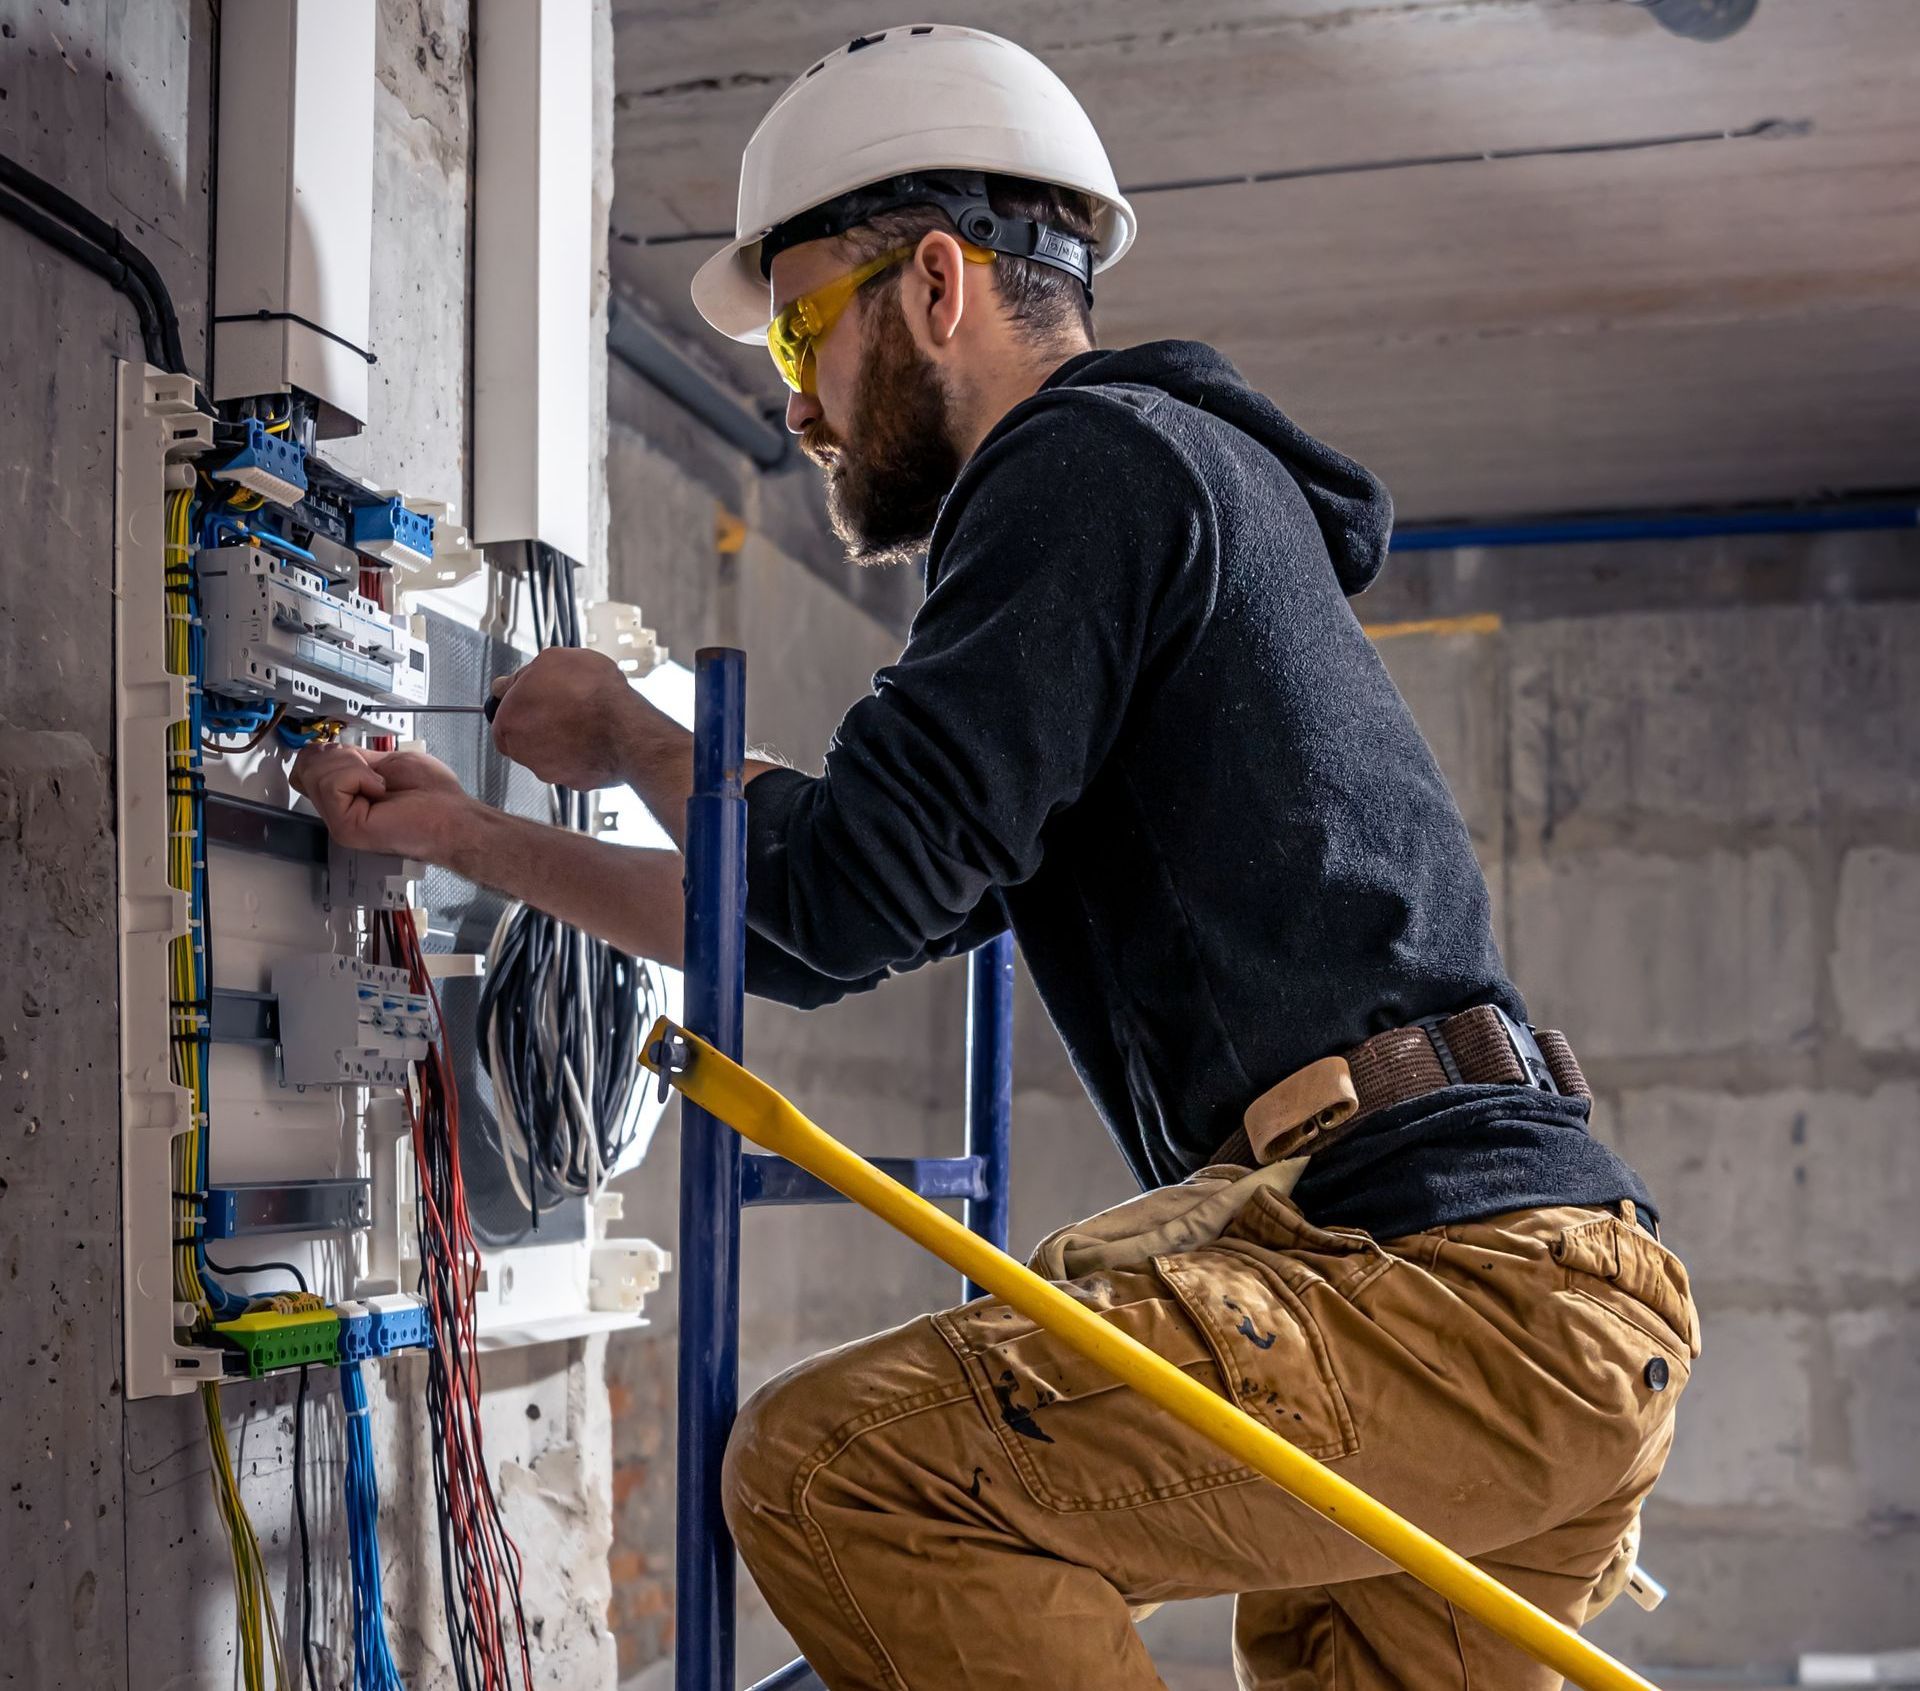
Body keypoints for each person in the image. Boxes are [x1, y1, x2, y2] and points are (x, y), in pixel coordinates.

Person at [293, 25, 1697, 1690]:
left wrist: (630, 746)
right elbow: (816, 911)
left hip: (1433, 1287)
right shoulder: (1177, 486)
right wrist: (468, 834)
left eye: (809, 327)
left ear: (938, 286)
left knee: (841, 1474)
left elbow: (819, 901)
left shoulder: (1080, 464)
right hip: (1530, 1306)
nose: (799, 403)